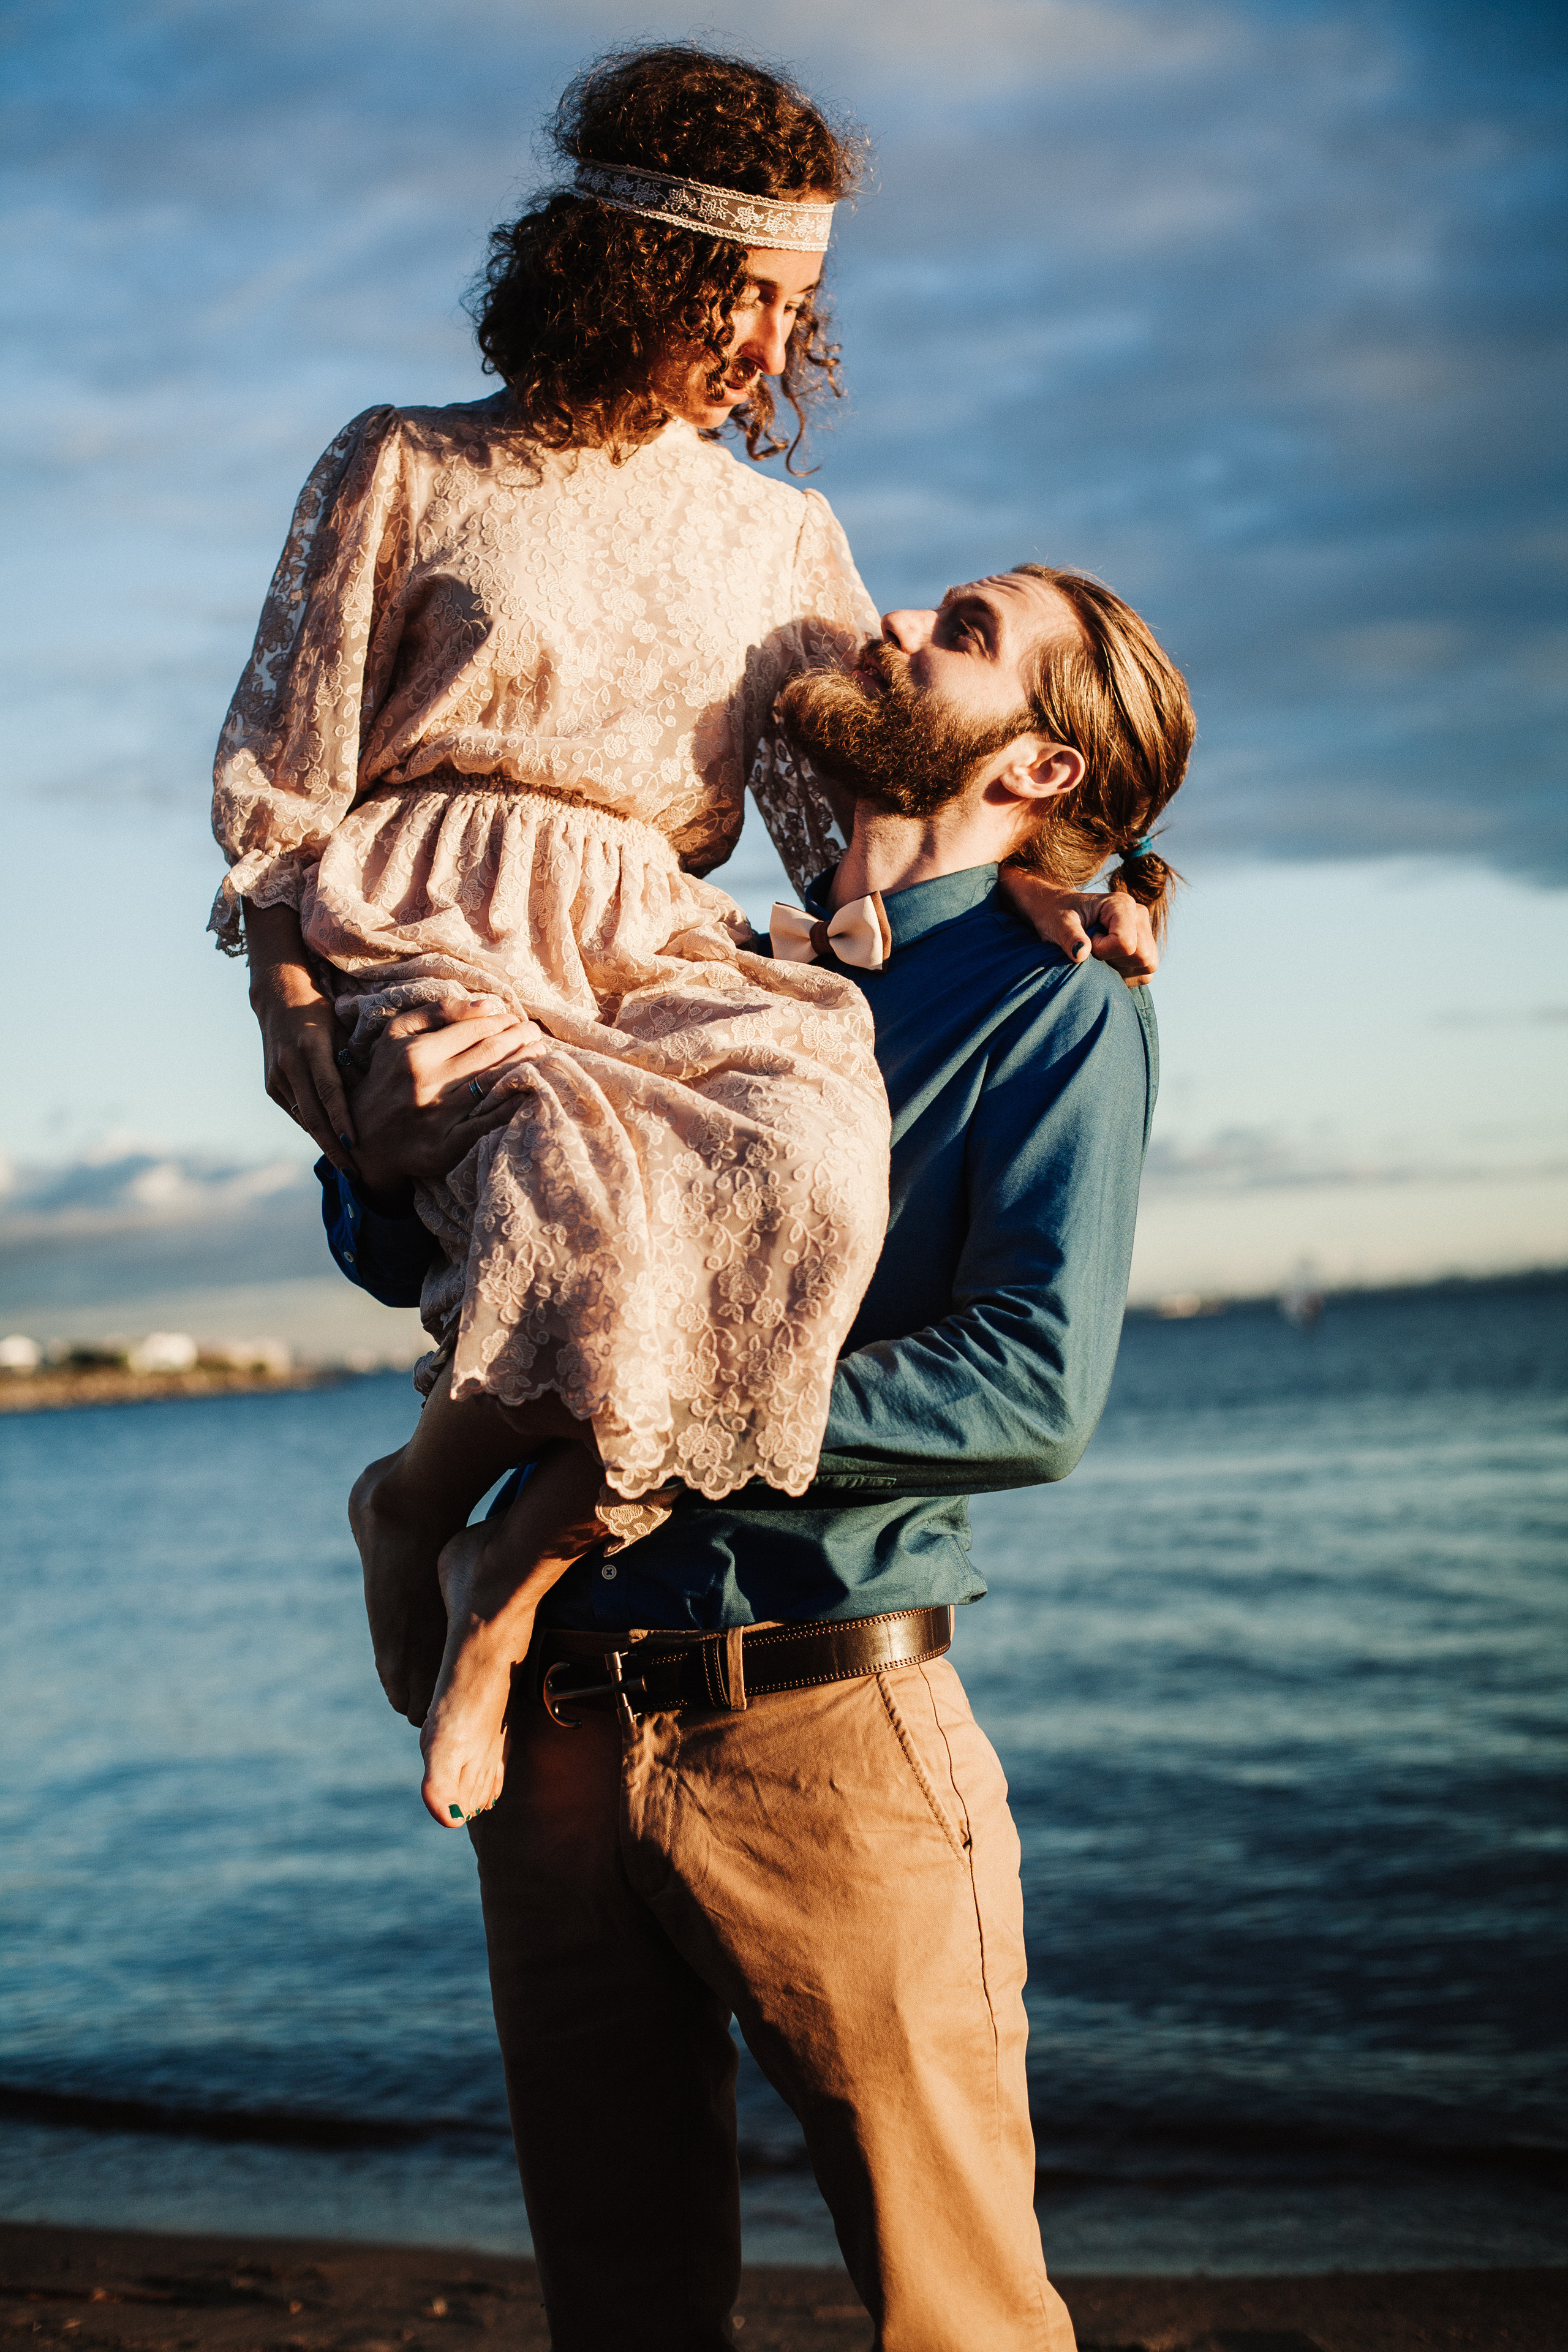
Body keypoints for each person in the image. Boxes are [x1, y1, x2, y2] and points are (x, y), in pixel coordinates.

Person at [209, 43, 1154, 1829]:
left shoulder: (782, 533)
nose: (773, 349)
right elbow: (292, 755)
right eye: (747, 297)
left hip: (654, 933)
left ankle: (496, 1562)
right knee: (585, 1180)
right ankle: (430, 1518)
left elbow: (877, 802)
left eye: (801, 310)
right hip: (430, 911)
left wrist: (1061, 877)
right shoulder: (406, 463)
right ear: (630, 264)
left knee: (801, 1158)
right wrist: (282, 984)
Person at [320, 558, 1193, 2350]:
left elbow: (1029, 1390)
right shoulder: (677, 965)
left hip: (825, 1723)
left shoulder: (1055, 1005)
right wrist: (381, 1136)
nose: (895, 630)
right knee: (620, 2315)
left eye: (962, 633)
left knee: (963, 2322)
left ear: (1033, 771)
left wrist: (682, 1401)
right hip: (552, 1736)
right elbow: (432, 1253)